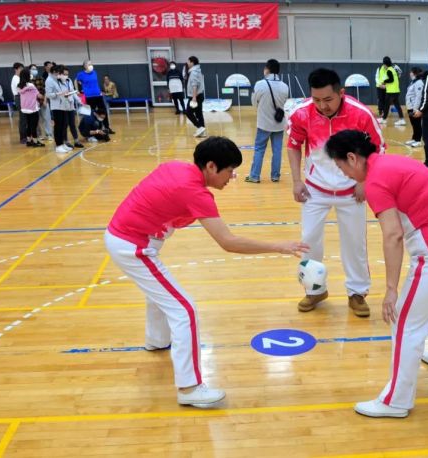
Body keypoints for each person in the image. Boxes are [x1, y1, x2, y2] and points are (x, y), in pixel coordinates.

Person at [104, 137, 308, 407]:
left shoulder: (177, 168)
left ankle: (157, 340)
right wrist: (278, 246)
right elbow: (228, 242)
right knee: (184, 310)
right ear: (211, 166)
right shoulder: (195, 192)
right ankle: (189, 388)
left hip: (126, 237)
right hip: (133, 246)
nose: (232, 176)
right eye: (230, 170)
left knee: (160, 295)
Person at [325, 129, 428, 418]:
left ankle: (395, 401)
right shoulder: (394, 162)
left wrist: (391, 289)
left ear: (352, 158)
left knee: (404, 324)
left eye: (340, 166)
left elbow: (393, 235)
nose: (342, 173)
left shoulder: (375, 181)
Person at [287, 68, 385, 317]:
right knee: (309, 241)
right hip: (314, 190)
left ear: (341, 92)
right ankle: (315, 289)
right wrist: (297, 180)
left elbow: (378, 148)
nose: (322, 106)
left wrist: (365, 180)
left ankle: (357, 292)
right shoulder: (301, 113)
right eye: (316, 100)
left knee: (355, 243)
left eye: (328, 99)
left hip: (352, 191)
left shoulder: (361, 114)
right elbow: (293, 145)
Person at [245, 58, 289, 184]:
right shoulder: (285, 86)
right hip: (279, 124)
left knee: (259, 149)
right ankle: (275, 176)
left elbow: (254, 103)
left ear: (267, 69)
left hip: (264, 124)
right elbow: (283, 102)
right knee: (277, 151)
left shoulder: (260, 84)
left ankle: (254, 176)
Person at [76, 60, 115, 134]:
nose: (91, 65)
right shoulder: (81, 74)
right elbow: (76, 81)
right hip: (89, 97)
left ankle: (107, 127)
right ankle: (94, 130)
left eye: (91, 64)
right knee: (92, 113)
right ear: (85, 66)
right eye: (89, 64)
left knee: (103, 111)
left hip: (98, 95)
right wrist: (78, 90)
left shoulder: (94, 72)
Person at [46, 65, 75, 153]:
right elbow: (48, 95)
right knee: (58, 126)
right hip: (56, 107)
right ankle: (58, 145)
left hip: (63, 105)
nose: (61, 74)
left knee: (63, 125)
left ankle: (62, 143)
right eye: (59, 73)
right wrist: (59, 93)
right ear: (54, 72)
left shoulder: (57, 79)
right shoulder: (49, 80)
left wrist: (65, 93)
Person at [17, 68, 44, 148]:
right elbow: (39, 95)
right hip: (32, 108)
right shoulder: (31, 85)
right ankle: (35, 142)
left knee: (28, 125)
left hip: (25, 108)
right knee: (34, 125)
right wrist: (44, 96)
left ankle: (29, 141)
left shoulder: (19, 86)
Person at [378, 57, 406, 126]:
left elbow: (391, 79)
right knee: (397, 106)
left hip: (391, 92)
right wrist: (385, 85)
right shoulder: (393, 69)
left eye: (383, 64)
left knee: (386, 106)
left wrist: (384, 82)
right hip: (395, 91)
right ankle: (402, 119)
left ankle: (384, 119)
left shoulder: (389, 70)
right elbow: (393, 81)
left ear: (385, 64)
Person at [62, 68, 85, 148]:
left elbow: (73, 92)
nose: (66, 76)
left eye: (67, 74)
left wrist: (79, 101)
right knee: (65, 125)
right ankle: (65, 141)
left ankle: (76, 141)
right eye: (64, 74)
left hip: (71, 106)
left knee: (72, 124)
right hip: (63, 106)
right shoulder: (58, 83)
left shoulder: (69, 81)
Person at [30, 63, 53, 141]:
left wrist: (45, 100)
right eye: (32, 69)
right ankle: (39, 135)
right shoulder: (28, 81)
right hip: (34, 103)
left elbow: (45, 90)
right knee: (37, 120)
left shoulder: (41, 78)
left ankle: (49, 134)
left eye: (35, 69)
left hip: (43, 101)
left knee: (47, 118)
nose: (34, 70)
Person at [185, 56, 206, 137]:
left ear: (192, 62)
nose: (187, 63)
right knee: (199, 114)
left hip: (195, 96)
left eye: (188, 61)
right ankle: (203, 132)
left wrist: (194, 98)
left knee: (188, 112)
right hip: (199, 95)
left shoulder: (194, 72)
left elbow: (195, 85)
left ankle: (200, 127)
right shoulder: (197, 70)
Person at [404, 68, 424, 147]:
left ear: (415, 73)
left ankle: (418, 140)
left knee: (417, 124)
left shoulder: (419, 83)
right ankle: (414, 138)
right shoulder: (413, 82)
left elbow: (418, 97)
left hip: (414, 107)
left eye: (411, 72)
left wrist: (415, 109)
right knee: (414, 124)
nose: (410, 73)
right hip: (410, 106)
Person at [11, 62, 27, 144]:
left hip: (24, 97)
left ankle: (28, 136)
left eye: (22, 68)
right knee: (23, 118)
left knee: (26, 118)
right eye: (20, 68)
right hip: (19, 97)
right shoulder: (16, 78)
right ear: (16, 69)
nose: (22, 70)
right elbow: (21, 89)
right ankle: (23, 137)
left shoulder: (20, 77)